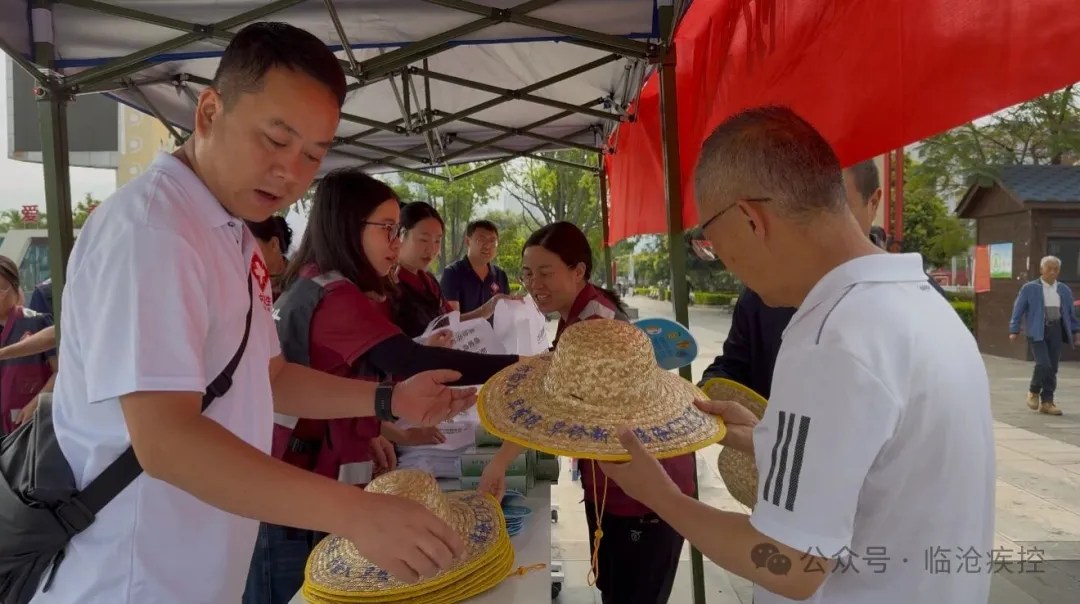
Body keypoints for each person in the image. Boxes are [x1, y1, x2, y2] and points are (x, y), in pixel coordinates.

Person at [39, 23, 476, 603]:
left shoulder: (228, 234)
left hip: (198, 571)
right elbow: (166, 439)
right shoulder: (154, 232)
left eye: (312, 155)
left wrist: (386, 399)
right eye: (274, 140)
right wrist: (356, 513)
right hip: (131, 579)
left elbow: (268, 377)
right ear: (210, 111)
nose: (291, 172)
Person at [597, 106, 994, 604]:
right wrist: (768, 439)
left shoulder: (830, 337)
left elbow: (787, 563)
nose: (728, 264)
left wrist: (660, 495)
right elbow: (881, 469)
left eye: (714, 244)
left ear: (749, 219)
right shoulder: (920, 301)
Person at [247, 169, 521, 604]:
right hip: (297, 502)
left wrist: (371, 427)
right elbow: (411, 360)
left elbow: (336, 380)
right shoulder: (335, 296)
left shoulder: (318, 285)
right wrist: (519, 366)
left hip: (299, 486)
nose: (398, 242)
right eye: (389, 230)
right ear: (348, 226)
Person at [479, 221, 690, 604]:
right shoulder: (577, 314)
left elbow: (557, 403)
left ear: (578, 271)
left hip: (645, 491)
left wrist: (500, 462)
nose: (534, 283)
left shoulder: (594, 324)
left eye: (546, 272)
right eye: (527, 273)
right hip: (617, 480)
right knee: (617, 588)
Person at [700, 159, 945, 397]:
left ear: (873, 203)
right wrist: (702, 396)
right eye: (806, 207)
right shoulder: (766, 291)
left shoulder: (917, 299)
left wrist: (765, 437)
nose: (817, 224)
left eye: (838, 206)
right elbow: (733, 367)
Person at [395, 202, 520, 338]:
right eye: (424, 239)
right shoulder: (388, 285)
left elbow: (451, 322)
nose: (432, 249)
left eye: (437, 241)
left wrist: (488, 308)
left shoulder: (429, 281)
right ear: (400, 235)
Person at [1009, 255, 1078, 416]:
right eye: (1049, 268)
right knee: (1043, 364)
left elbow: (1070, 314)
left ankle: (1047, 401)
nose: (1053, 272)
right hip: (1037, 330)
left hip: (1056, 330)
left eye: (1056, 269)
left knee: (1052, 367)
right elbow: (1018, 309)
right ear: (1041, 269)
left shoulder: (1063, 290)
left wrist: (1076, 332)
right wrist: (1014, 329)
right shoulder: (1030, 288)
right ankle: (1033, 391)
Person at [0, 256, 56, 434]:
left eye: (0, 291)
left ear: (16, 290)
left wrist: (37, 403)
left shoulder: (37, 322)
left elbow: (61, 370)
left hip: (28, 425)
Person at [439, 220, 511, 314]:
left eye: (492, 241)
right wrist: (482, 312)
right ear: (467, 241)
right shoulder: (452, 273)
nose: (488, 246)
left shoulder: (500, 275)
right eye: (481, 240)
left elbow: (507, 313)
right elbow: (451, 320)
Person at [247, 214, 293, 299]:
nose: (245, 255)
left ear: (274, 245)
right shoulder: (249, 295)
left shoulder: (303, 277)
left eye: (250, 247)